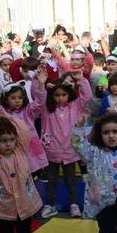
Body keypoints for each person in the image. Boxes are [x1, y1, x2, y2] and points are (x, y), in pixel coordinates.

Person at [39, 72, 92, 218]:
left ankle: (74, 204)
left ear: (69, 94)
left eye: (64, 94)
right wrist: (42, 84)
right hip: (51, 150)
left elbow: (87, 96)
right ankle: (49, 205)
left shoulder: (75, 106)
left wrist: (80, 79)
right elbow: (39, 97)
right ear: (52, 95)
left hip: (70, 150)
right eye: (56, 95)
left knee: (71, 180)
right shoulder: (46, 108)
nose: (60, 97)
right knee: (52, 180)